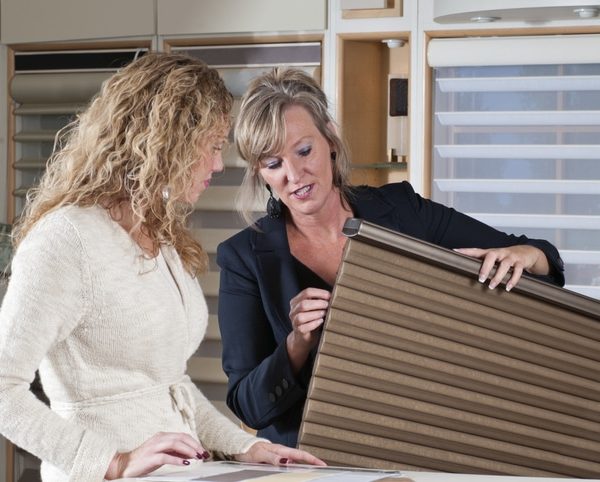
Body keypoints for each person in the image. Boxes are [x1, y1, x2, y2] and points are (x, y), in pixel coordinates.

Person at [0, 53, 325, 482]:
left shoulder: (159, 237)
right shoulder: (66, 240)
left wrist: (247, 446)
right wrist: (111, 462)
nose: (216, 164)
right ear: (165, 141)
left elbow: (169, 387)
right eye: (209, 146)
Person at [216, 67, 566, 448]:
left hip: (421, 446)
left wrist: (527, 255)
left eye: (304, 151)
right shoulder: (243, 257)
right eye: (273, 163)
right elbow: (247, 406)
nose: (295, 174)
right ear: (260, 172)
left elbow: (542, 265)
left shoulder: (403, 209)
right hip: (314, 464)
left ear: (330, 138)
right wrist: (297, 344)